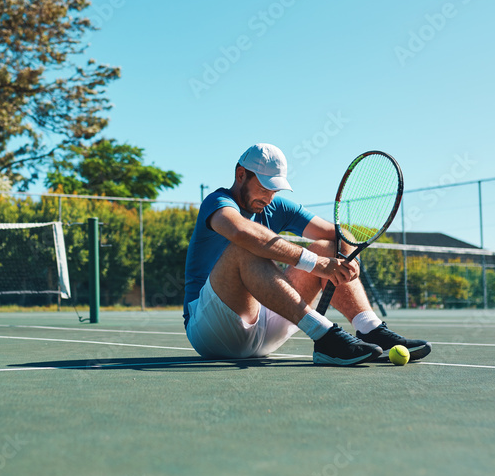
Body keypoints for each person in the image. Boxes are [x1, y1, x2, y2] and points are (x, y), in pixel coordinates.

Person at [183, 143, 431, 365]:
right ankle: (325, 334)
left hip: (266, 332)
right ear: (240, 175)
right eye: (263, 188)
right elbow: (241, 233)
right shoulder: (217, 202)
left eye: (274, 190)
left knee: (328, 246)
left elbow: (339, 234)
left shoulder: (275, 206)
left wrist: (346, 256)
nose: (269, 198)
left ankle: (369, 329)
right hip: (211, 331)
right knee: (246, 247)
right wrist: (317, 264)